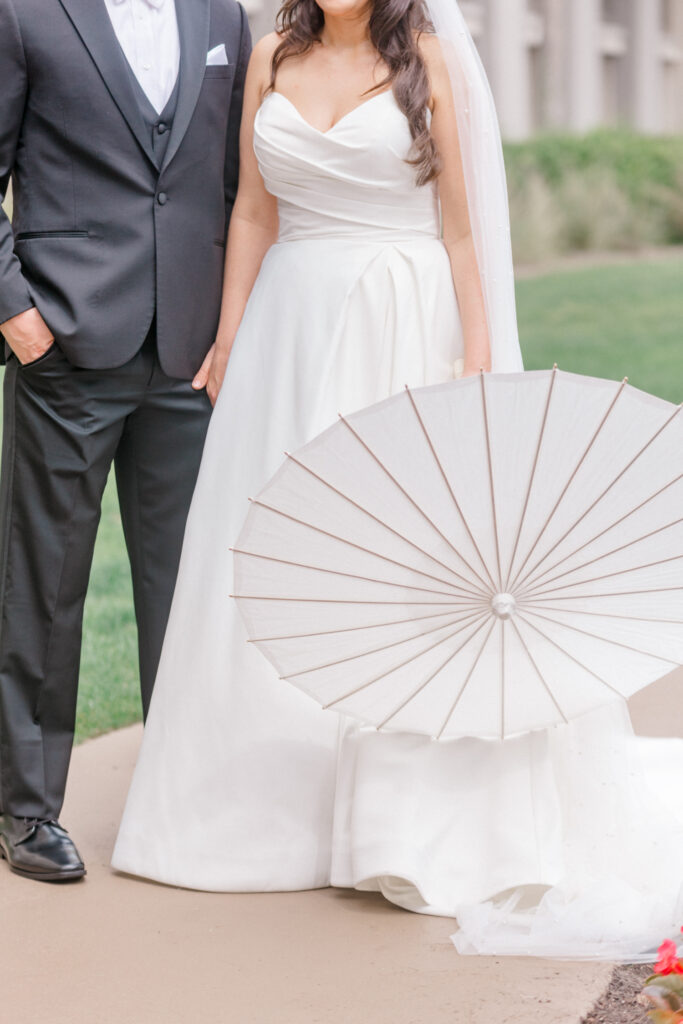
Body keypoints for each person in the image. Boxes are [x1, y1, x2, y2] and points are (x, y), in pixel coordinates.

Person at [114, 0, 683, 961]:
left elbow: (462, 232)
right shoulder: (267, 55)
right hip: (290, 325)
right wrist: (230, 334)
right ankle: (265, 810)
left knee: (395, 563)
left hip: (401, 319)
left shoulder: (426, 56)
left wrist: (475, 355)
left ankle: (398, 823)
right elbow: (254, 210)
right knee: (281, 543)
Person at [0, 0, 250, 882]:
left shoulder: (222, 16)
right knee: (46, 578)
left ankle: (179, 794)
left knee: (185, 589)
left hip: (189, 355)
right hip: (67, 343)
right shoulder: (25, 15)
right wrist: (15, 310)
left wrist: (229, 327)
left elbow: (231, 183)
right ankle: (26, 810)